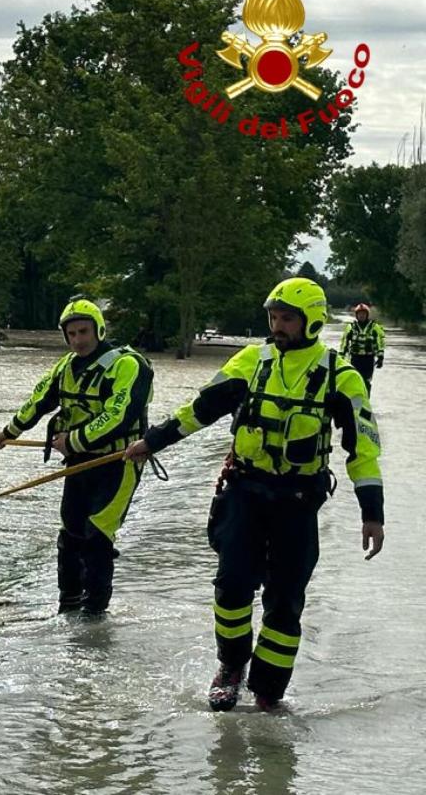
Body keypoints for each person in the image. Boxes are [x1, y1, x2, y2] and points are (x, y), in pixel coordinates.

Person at [124, 277, 384, 712]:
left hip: (298, 501)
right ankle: (229, 667)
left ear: (313, 322)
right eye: (274, 317)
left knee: (285, 599)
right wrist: (152, 441)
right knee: (232, 586)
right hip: (244, 490)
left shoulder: (342, 376)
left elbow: (364, 449)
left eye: (288, 319)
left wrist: (372, 513)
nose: (278, 326)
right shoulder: (250, 361)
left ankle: (268, 693)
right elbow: (199, 410)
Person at [0, 297, 154, 616]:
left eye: (84, 332)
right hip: (79, 464)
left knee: (97, 535)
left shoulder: (129, 365)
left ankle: (94, 615)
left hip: (118, 462)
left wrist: (73, 440)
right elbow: (38, 401)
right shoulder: (65, 367)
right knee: (70, 534)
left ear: (99, 330)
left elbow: (118, 415)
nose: (78, 340)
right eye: (72, 334)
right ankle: (67, 607)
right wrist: (9, 432)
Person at [339, 302, 385, 392]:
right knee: (354, 379)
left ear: (367, 315)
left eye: (363, 314)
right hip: (355, 358)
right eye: (360, 314)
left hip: (368, 359)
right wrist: (341, 357)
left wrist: (380, 357)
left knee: (366, 381)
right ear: (356, 315)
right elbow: (344, 342)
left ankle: (366, 399)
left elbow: (380, 341)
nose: (361, 316)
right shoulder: (351, 327)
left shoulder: (375, 327)